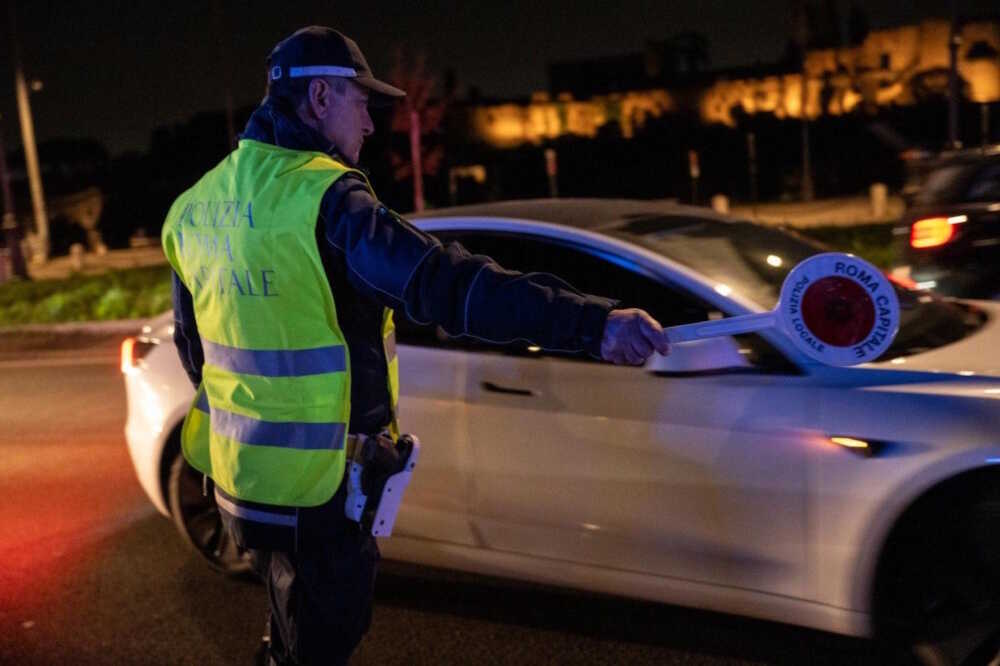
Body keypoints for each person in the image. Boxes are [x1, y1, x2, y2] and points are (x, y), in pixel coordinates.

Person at [162, 25, 671, 666]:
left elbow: (194, 349)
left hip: (245, 485)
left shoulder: (196, 205)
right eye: (360, 103)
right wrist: (593, 325)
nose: (370, 126)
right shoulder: (325, 198)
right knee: (324, 640)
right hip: (320, 496)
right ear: (319, 97)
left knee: (295, 634)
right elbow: (447, 287)